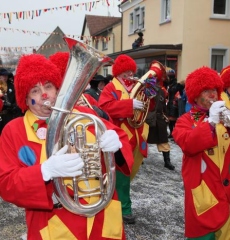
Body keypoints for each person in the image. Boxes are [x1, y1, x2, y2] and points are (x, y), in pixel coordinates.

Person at [0, 54, 134, 240]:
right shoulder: (13, 131)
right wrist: (44, 172)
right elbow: (6, 184)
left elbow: (122, 147)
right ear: (25, 96)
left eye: (48, 87)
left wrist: (117, 147)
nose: (44, 95)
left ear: (57, 89)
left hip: (101, 220)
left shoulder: (85, 115)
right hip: (53, 223)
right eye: (35, 91)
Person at [172, 66, 230, 239]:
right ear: (195, 95)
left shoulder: (229, 116)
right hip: (205, 194)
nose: (212, 95)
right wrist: (210, 123)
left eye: (214, 90)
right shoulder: (184, 121)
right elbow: (188, 144)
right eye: (206, 91)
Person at [99, 54, 162, 224]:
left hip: (137, 135)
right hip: (120, 137)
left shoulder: (137, 86)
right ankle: (124, 208)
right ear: (118, 74)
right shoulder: (110, 88)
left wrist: (151, 94)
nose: (129, 77)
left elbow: (149, 106)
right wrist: (129, 105)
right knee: (122, 174)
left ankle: (116, 201)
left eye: (131, 73)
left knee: (128, 173)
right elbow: (104, 108)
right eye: (125, 74)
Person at [147, 81, 175, 170]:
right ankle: (139, 159)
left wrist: (166, 116)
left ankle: (167, 161)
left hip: (159, 119)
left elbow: (163, 106)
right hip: (147, 118)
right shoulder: (145, 90)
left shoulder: (161, 91)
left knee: (163, 140)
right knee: (142, 139)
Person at [0, 68, 23, 134]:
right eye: (3, 76)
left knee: (8, 132)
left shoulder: (11, 86)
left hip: (9, 115)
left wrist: (14, 106)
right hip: (1, 113)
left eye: (6, 76)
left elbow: (17, 98)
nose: (5, 77)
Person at [166, 68, 184, 138]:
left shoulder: (177, 85)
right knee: (170, 120)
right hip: (170, 103)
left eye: (169, 76)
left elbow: (180, 92)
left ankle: (175, 133)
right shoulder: (168, 84)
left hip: (174, 104)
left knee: (174, 120)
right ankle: (171, 133)